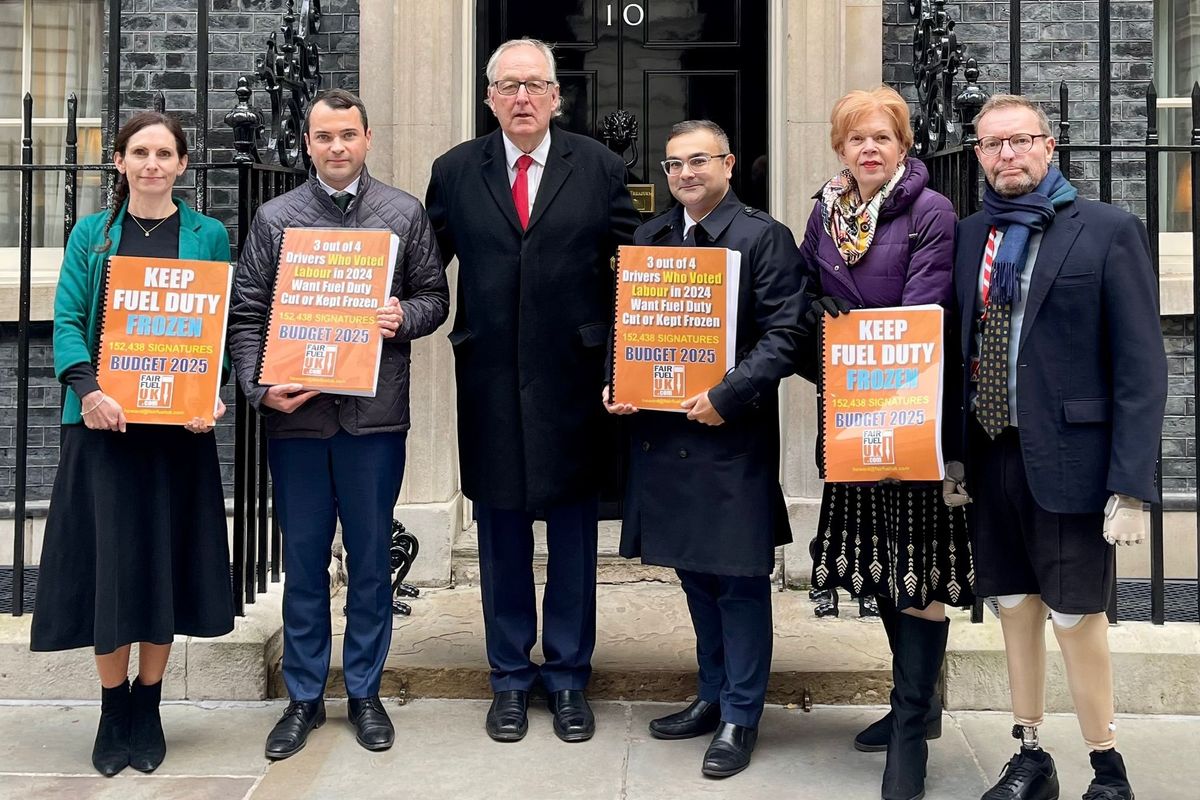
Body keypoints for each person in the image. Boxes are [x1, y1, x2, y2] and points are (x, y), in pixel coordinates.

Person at [950, 94, 1165, 800]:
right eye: (991, 145)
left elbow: (1141, 367)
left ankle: (1107, 766)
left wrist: (1131, 485)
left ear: (1049, 146)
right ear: (977, 153)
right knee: (1014, 607)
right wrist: (953, 456)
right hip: (991, 456)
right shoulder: (970, 234)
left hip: (1073, 463)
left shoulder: (1106, 231)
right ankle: (1030, 753)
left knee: (1076, 615)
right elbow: (958, 351)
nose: (1006, 156)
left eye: (1020, 141)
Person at [425, 37, 639, 743]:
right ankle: (511, 678)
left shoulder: (601, 166)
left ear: (556, 96)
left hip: (574, 380)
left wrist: (631, 358)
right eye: (508, 85)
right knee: (502, 535)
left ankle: (570, 677)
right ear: (489, 97)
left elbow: (635, 267)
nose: (522, 98)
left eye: (535, 85)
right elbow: (425, 271)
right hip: (488, 375)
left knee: (575, 537)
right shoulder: (455, 171)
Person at [228, 89, 449, 760]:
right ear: (307, 142)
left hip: (374, 420)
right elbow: (246, 316)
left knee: (371, 567)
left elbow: (434, 295)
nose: (336, 147)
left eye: (346, 135)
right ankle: (302, 699)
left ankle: (364, 692)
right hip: (298, 420)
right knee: (302, 564)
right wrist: (261, 387)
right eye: (323, 136)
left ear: (367, 138)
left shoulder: (403, 212)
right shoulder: (276, 218)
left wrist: (401, 318)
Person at [30, 111, 235, 777]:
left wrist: (211, 395)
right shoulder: (93, 236)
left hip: (176, 432)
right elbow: (64, 320)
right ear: (119, 162)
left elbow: (218, 329)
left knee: (162, 563)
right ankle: (111, 705)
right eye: (139, 152)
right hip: (103, 428)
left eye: (164, 152)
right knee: (110, 567)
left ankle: (148, 704)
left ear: (181, 164)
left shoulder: (207, 235)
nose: (152, 163)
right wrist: (88, 391)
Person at [604, 120, 805, 778]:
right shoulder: (650, 237)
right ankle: (713, 695)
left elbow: (785, 336)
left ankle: (742, 716)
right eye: (673, 165)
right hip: (665, 436)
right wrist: (617, 380)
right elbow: (628, 322)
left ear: (728, 164)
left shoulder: (763, 237)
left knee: (739, 580)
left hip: (730, 436)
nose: (685, 174)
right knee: (693, 572)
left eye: (698, 161)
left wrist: (729, 394)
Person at [796, 86, 973, 800]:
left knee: (921, 569)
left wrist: (850, 330)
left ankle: (908, 728)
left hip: (911, 414)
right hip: (849, 414)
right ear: (840, 148)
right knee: (885, 562)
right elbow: (804, 290)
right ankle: (920, 704)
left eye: (882, 138)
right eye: (855, 139)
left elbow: (925, 309)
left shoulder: (930, 211)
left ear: (903, 147)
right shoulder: (824, 214)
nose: (868, 150)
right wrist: (816, 315)